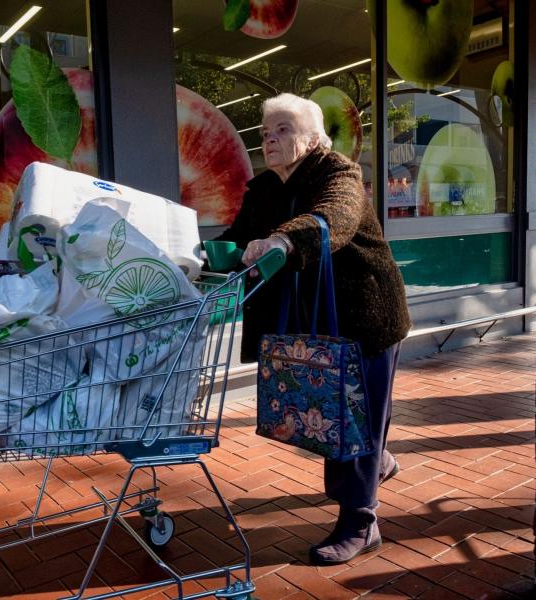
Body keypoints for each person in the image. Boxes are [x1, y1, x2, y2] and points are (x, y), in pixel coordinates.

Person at [214, 93, 411, 565]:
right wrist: (194, 257)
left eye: (282, 128)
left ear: (313, 136)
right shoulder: (264, 189)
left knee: (353, 420)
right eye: (265, 131)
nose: (270, 138)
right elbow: (237, 238)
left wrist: (284, 238)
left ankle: (362, 522)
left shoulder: (337, 172)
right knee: (349, 419)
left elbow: (334, 217)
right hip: (318, 320)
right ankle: (379, 462)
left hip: (366, 315)